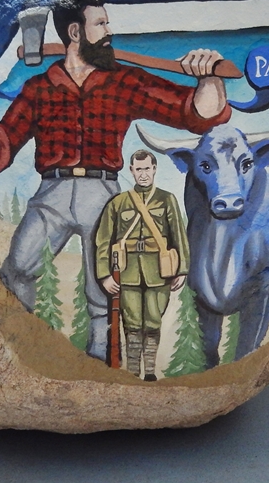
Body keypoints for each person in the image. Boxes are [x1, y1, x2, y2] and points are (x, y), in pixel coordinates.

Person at [0, 0, 229, 360]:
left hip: (102, 196)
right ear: (75, 33)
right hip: (52, 194)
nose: (109, 31)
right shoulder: (39, 88)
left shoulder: (124, 81)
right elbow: (2, 142)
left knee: (102, 289)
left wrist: (208, 80)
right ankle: (15, 350)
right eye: (101, 23)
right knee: (19, 267)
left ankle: (99, 363)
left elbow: (192, 113)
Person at [95, 149, 188, 380]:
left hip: (160, 271)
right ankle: (133, 373)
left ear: (154, 169)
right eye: (139, 169)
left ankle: (149, 373)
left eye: (147, 168)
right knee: (132, 323)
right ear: (132, 171)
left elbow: (178, 235)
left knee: (154, 321)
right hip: (127, 273)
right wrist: (105, 274)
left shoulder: (167, 200)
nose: (143, 174)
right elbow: (104, 239)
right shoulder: (119, 202)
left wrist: (182, 269)